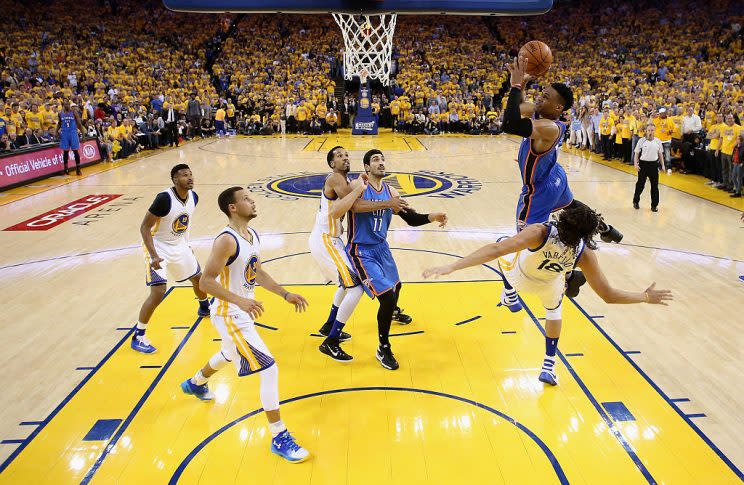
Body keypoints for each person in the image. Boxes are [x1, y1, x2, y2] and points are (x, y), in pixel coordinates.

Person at [423, 204, 672, 385]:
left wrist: (452, 266)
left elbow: (496, 249)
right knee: (554, 311)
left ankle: (509, 292)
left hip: (519, 277)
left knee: (502, 242)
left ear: (563, 219)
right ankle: (549, 364)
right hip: (549, 286)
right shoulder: (585, 253)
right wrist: (644, 297)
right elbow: (608, 295)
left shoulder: (541, 232)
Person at [181, 186, 310, 463]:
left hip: (239, 311)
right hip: (229, 313)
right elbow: (205, 282)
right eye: (246, 198)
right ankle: (279, 435)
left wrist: (285, 294)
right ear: (233, 207)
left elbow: (257, 271)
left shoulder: (251, 235)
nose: (252, 201)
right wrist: (240, 300)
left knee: (229, 353)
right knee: (269, 367)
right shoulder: (225, 241)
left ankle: (196, 383)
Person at [501, 55, 623, 300]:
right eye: (542, 93)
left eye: (546, 97)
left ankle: (564, 277)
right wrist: (521, 86)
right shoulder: (542, 114)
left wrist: (515, 86)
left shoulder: (549, 127)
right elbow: (515, 110)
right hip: (554, 175)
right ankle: (606, 229)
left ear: (558, 108)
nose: (540, 97)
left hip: (538, 190)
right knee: (572, 206)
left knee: (525, 242)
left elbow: (510, 123)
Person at [347, 149, 448, 370]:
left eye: (383, 159)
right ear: (366, 167)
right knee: (387, 296)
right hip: (361, 250)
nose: (381, 163)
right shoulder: (359, 185)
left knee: (397, 286)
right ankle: (383, 347)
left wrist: (433, 216)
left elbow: (410, 218)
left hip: (381, 248)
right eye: (375, 160)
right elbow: (355, 207)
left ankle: (392, 312)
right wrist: (388, 204)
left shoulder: (391, 190)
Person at [309, 146, 395, 362]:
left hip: (332, 239)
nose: (345, 158)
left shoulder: (345, 181)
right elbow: (355, 206)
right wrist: (363, 189)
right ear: (332, 164)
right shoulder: (336, 177)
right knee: (355, 287)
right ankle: (331, 341)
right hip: (326, 239)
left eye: (347, 155)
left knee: (344, 284)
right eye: (339, 156)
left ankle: (329, 325)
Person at [132, 164, 211, 353]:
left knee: (198, 278)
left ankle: (204, 307)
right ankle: (138, 335)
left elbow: (185, 223)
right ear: (175, 180)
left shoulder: (194, 197)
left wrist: (187, 245)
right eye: (184, 175)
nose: (190, 178)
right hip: (157, 246)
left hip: (179, 243)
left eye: (191, 174)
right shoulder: (164, 199)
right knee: (158, 291)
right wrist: (153, 256)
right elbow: (144, 227)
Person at [633, 123, 665, 211]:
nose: (650, 132)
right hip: (643, 165)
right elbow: (636, 153)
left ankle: (654, 205)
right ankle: (636, 201)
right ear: (646, 131)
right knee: (640, 185)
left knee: (655, 186)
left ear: (654, 131)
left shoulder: (658, 141)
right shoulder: (641, 141)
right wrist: (636, 164)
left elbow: (660, 154)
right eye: (649, 130)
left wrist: (663, 165)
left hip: (654, 165)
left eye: (652, 130)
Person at [56, 100, 85, 175]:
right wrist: (56, 131)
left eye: (68, 104)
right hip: (64, 133)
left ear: (69, 105)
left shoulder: (74, 113)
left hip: (73, 133)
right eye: (65, 104)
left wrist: (83, 134)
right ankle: (66, 168)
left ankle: (78, 169)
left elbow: (79, 123)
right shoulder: (60, 113)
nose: (67, 105)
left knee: (75, 151)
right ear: (63, 105)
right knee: (65, 152)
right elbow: (59, 123)